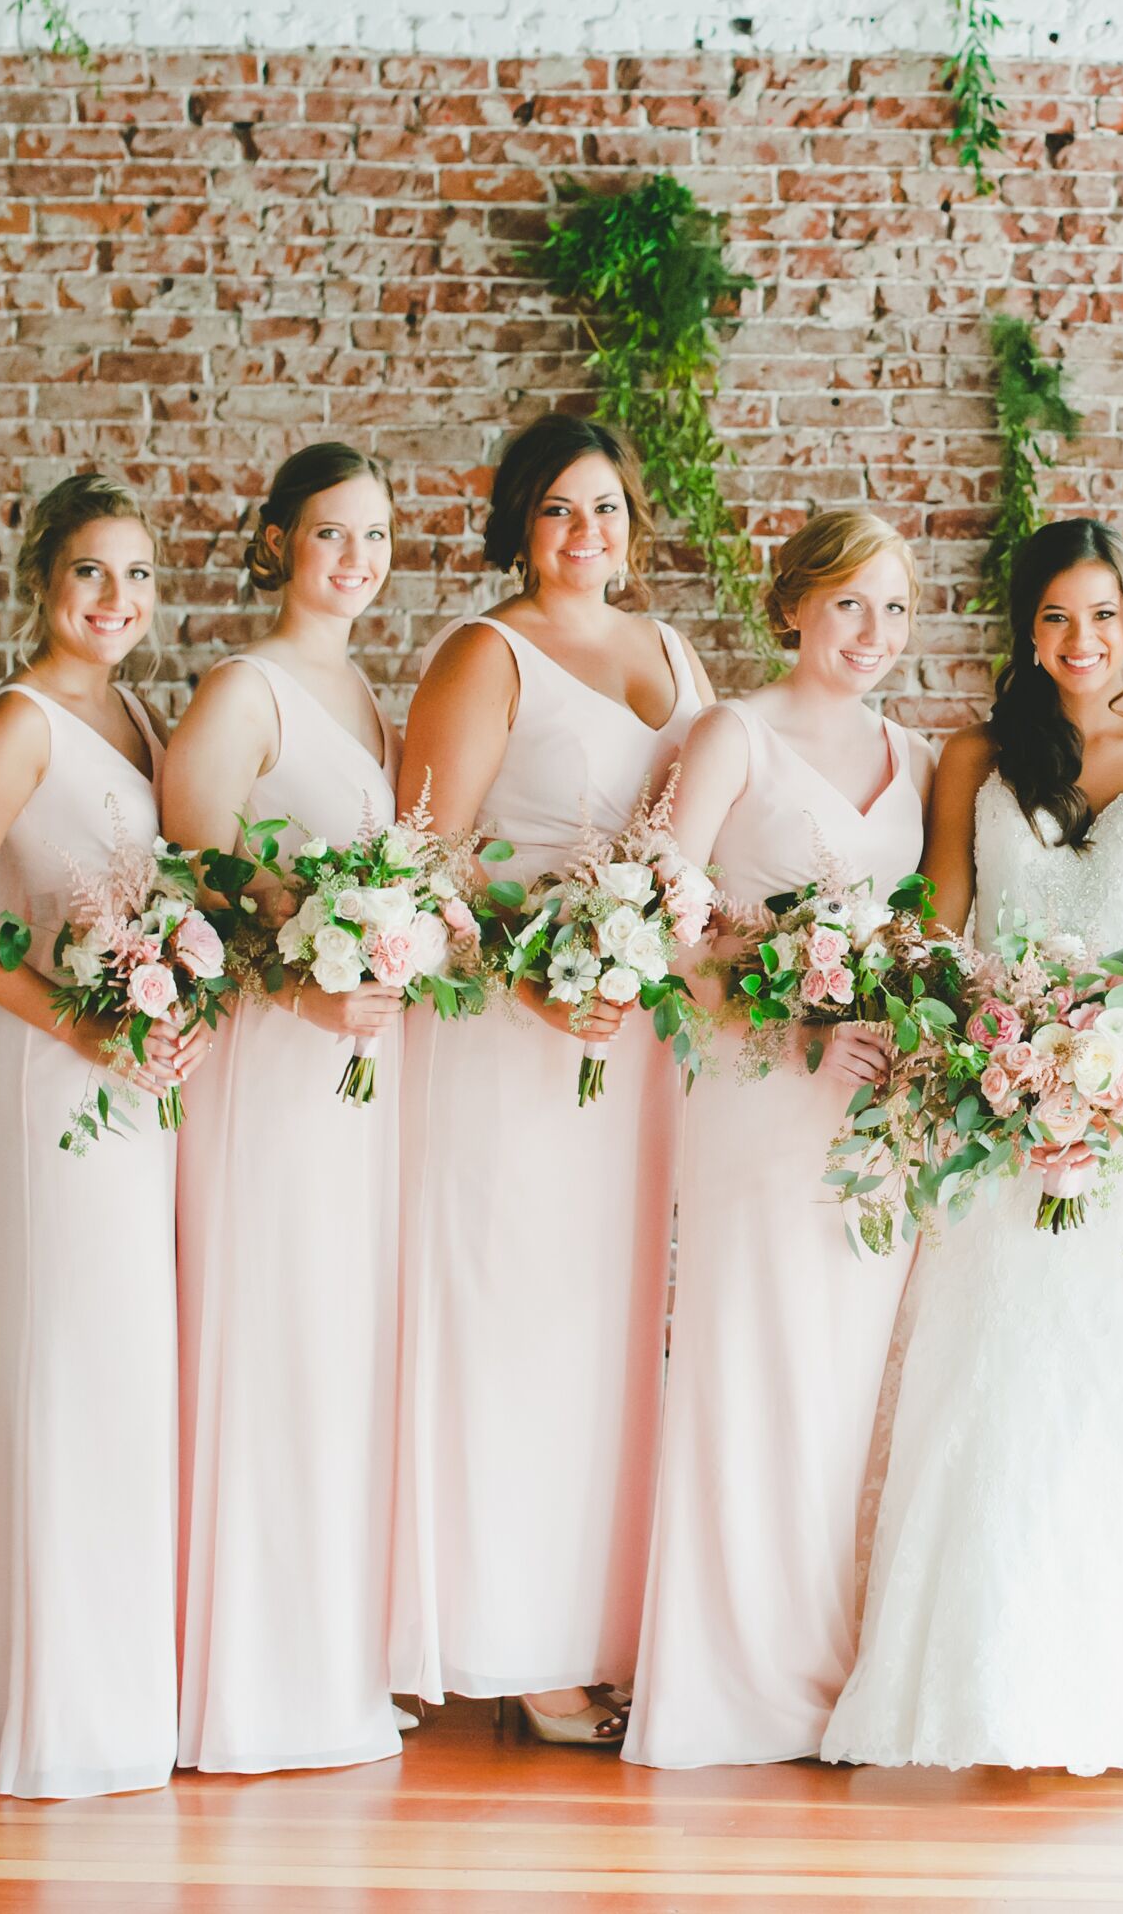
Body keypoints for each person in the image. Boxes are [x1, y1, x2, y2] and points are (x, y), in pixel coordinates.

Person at [820, 519, 1123, 1779]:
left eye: (1104, 617)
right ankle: (981, 1686)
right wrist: (988, 1060)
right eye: (1056, 619)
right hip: (995, 1115)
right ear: (1024, 631)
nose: (1083, 643)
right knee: (992, 1377)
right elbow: (940, 930)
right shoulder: (974, 757)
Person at [388, 416, 711, 1743]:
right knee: (516, 1327)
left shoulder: (672, 651)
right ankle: (521, 1646)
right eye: (560, 512)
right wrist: (532, 970)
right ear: (519, 523)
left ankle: (602, 1618)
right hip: (518, 1042)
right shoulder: (486, 653)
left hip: (632, 1045)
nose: (588, 537)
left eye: (608, 511)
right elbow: (428, 859)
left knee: (614, 1338)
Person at [0, 472, 194, 1799]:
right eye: (90, 573)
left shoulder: (132, 715)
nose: (115, 600)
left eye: (135, 577)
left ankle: (98, 1680)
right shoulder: (20, 724)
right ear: (42, 580)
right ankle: (59, 1709)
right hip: (58, 1079)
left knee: (124, 1374)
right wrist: (76, 1028)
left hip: (134, 1081)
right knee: (72, 1368)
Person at [626, 509, 936, 1767]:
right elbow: (660, 921)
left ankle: (834, 1666)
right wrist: (795, 1019)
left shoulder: (916, 757)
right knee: (754, 1368)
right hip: (760, 1091)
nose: (874, 633)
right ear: (796, 605)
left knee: (846, 1390)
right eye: (850, 603)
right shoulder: (729, 735)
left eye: (897, 608)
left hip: (874, 1109)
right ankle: (734, 1684)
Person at [160, 443, 410, 1774]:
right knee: (269, 1342)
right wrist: (304, 990)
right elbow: (192, 881)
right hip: (272, 1065)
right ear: (275, 543)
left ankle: (318, 1656)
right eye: (330, 534)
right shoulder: (243, 689)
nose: (355, 560)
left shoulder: (364, 693)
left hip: (354, 1079)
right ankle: (242, 1684)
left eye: (374, 537)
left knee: (331, 1350)